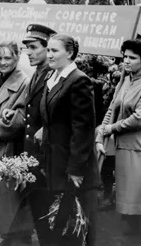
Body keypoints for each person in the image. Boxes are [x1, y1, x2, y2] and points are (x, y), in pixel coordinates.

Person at [96, 39, 141, 246]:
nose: (126, 61)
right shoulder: (126, 79)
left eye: (132, 58)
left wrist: (111, 129)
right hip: (125, 148)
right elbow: (112, 108)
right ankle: (139, 239)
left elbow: (140, 119)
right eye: (125, 56)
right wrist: (101, 135)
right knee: (132, 201)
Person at [40, 34, 100, 246]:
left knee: (78, 224)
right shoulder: (52, 78)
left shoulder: (78, 80)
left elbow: (83, 129)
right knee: (62, 224)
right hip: (55, 163)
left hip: (73, 168)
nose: (49, 55)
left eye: (54, 51)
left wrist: (75, 169)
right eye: (48, 50)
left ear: (70, 53)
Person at [0, 41, 32, 246]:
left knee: (13, 197)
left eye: (7, 58)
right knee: (1, 199)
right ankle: (9, 236)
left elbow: (18, 121)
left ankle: (19, 238)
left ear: (17, 57)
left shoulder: (24, 82)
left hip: (12, 149)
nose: (2, 62)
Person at [20, 24, 56, 245]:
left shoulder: (53, 77)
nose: (29, 53)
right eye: (27, 48)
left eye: (34, 47)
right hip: (33, 156)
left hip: (47, 159)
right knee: (39, 213)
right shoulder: (36, 75)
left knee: (49, 214)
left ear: (47, 47)